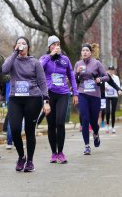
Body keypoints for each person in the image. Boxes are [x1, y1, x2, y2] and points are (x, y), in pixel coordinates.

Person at [2, 36, 50, 172]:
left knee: (30, 131)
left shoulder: (35, 62)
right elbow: (4, 70)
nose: (21, 45)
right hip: (15, 99)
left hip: (32, 99)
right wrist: (14, 53)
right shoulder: (12, 60)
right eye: (18, 43)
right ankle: (21, 156)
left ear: (28, 47)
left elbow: (42, 82)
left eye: (24, 43)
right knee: (15, 129)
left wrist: (46, 101)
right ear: (15, 46)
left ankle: (30, 161)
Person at [39, 35, 78, 164]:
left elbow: (71, 76)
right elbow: (39, 69)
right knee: (51, 125)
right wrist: (50, 55)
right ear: (49, 47)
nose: (57, 47)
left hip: (63, 93)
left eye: (58, 45)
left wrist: (75, 93)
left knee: (60, 123)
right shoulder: (45, 58)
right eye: (54, 45)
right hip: (49, 94)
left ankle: (60, 152)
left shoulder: (65, 59)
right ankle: (53, 153)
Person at [74, 43, 108, 155]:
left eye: (87, 50)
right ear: (81, 53)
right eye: (83, 50)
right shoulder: (78, 64)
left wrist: (99, 79)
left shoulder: (96, 63)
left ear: (90, 52)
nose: (84, 52)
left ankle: (96, 134)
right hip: (82, 93)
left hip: (95, 95)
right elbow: (73, 78)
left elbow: (106, 76)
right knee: (85, 119)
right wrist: (77, 72)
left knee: (94, 121)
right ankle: (87, 146)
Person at [104, 65, 122, 134]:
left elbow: (118, 86)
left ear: (114, 71)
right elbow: (103, 85)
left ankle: (113, 127)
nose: (110, 71)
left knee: (113, 112)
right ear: (108, 70)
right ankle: (107, 125)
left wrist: (118, 90)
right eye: (109, 70)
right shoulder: (105, 77)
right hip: (107, 95)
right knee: (107, 111)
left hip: (114, 95)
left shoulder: (116, 78)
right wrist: (105, 88)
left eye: (112, 70)